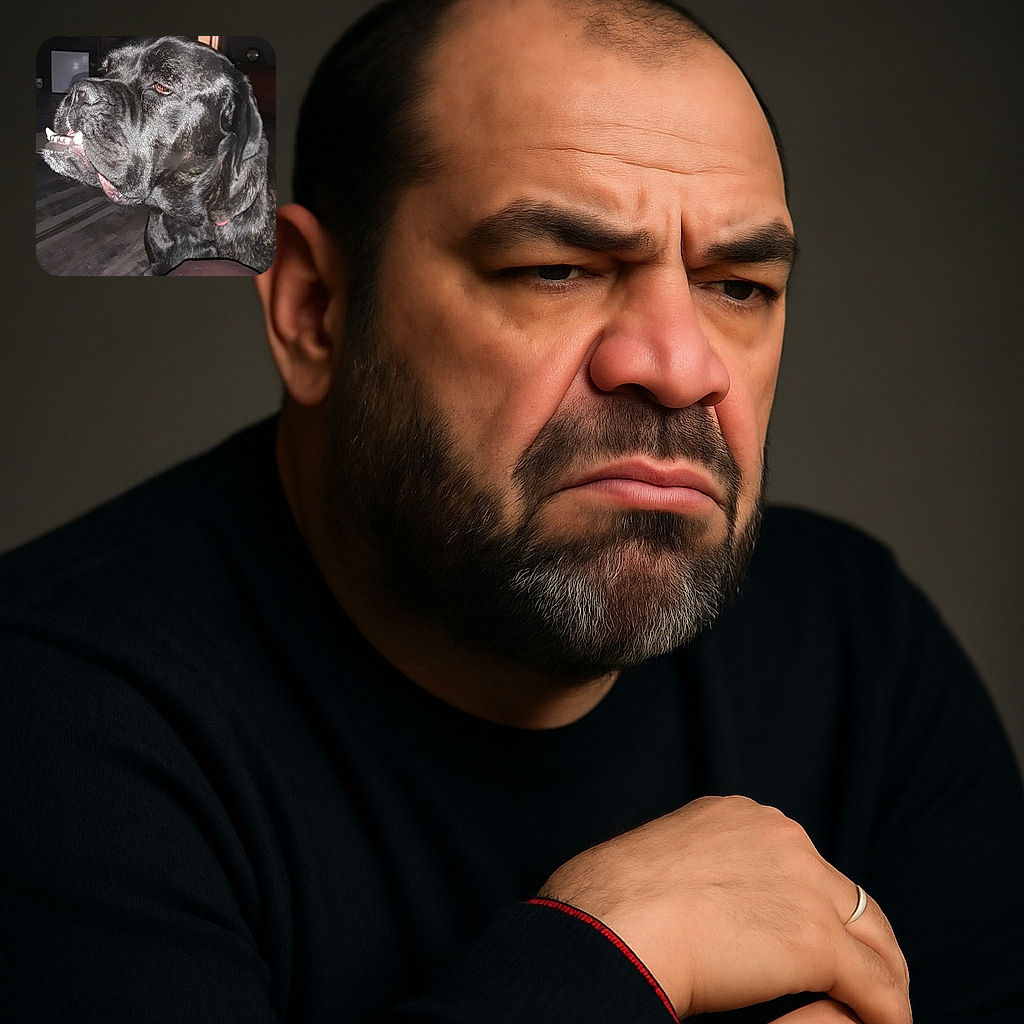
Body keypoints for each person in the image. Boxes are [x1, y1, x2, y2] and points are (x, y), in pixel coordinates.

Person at [2, 1, 1022, 1021]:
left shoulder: (860, 651)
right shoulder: (53, 713)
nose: (680, 368)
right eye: (555, 270)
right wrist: (614, 947)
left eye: (740, 286)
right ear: (314, 307)